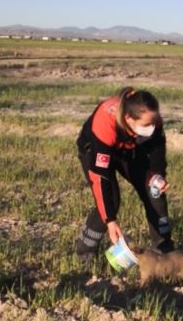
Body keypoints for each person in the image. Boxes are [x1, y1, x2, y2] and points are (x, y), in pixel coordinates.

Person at [75, 86, 174, 260]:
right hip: (96, 149)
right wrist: (110, 221)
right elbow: (100, 178)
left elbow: (157, 149)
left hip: (129, 149)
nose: (152, 127)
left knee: (154, 192)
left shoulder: (152, 119)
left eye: (154, 122)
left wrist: (156, 174)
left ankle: (164, 251)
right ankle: (85, 250)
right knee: (110, 200)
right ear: (128, 119)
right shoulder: (105, 123)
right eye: (146, 125)